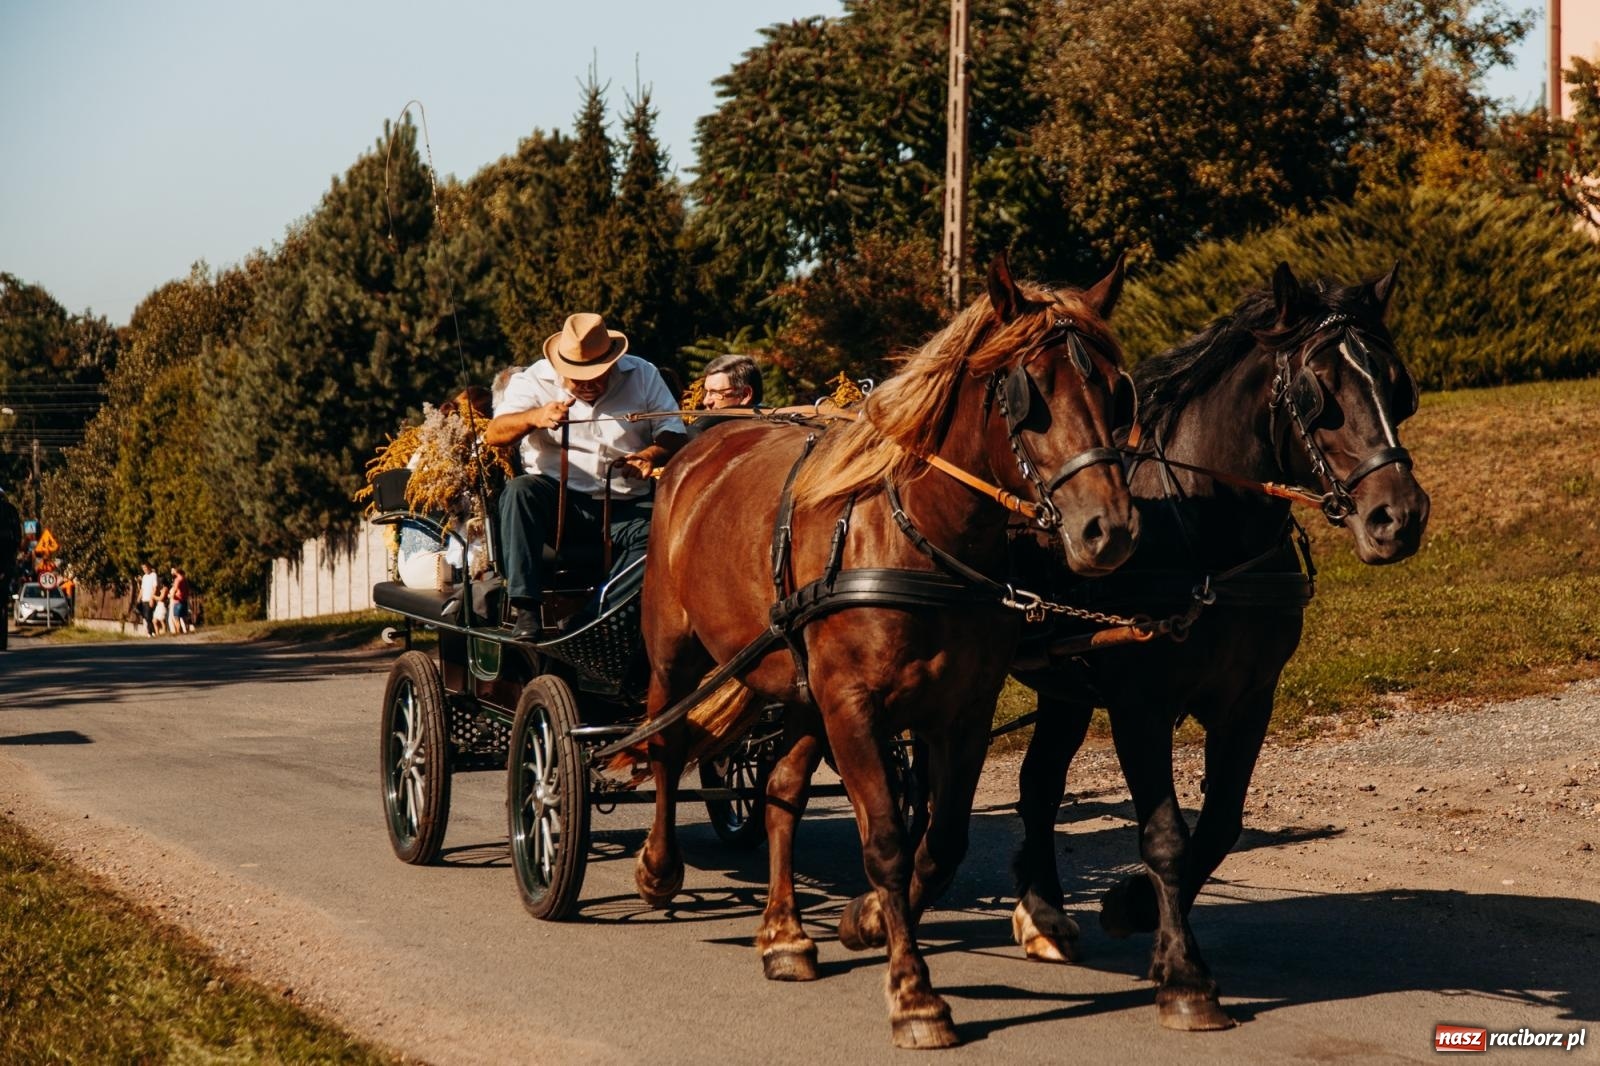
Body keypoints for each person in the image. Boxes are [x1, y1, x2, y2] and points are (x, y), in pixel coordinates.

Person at [486, 312, 686, 641]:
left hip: (623, 502)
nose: (590, 385)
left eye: (598, 376)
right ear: (561, 368)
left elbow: (675, 434)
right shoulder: (534, 379)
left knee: (663, 531)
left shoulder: (644, 374)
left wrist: (650, 455)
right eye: (580, 379)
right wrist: (535, 416)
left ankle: (596, 620)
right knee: (520, 492)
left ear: (612, 362)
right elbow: (496, 432)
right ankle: (525, 609)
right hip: (558, 501)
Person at [0, 487, 19, 651]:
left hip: (6, 559)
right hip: (5, 561)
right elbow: (17, 537)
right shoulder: (11, 511)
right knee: (5, 593)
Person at [137, 562, 159, 636]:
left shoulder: (153, 575)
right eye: (143, 568)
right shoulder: (144, 577)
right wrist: (139, 597)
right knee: (145, 616)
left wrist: (152, 598)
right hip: (144, 599)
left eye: (145, 567)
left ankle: (150, 632)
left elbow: (155, 587)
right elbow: (142, 589)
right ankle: (151, 631)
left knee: (148, 616)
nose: (144, 569)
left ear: (149, 567)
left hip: (149, 598)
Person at [169, 566, 191, 634]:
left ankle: (178, 631)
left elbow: (175, 588)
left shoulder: (178, 579)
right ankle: (186, 630)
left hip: (177, 600)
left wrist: (172, 596)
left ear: (176, 571)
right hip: (184, 599)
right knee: (184, 616)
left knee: (176, 617)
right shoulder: (185, 579)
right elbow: (188, 590)